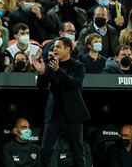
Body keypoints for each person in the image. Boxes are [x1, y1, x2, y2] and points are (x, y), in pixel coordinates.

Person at [32, 37, 91, 167]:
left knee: (77, 151)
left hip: (72, 115)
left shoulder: (78, 66)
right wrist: (41, 73)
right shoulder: (50, 65)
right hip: (54, 115)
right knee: (45, 150)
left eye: (58, 47)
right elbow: (41, 87)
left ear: (68, 49)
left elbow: (74, 85)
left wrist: (58, 70)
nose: (55, 49)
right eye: (54, 47)